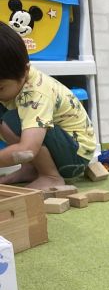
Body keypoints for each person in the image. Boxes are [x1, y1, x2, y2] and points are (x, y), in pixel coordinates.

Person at [0, 22, 96, 190]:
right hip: (60, 147)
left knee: (12, 120)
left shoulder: (36, 94)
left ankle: (50, 176)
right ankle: (31, 169)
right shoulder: (15, 83)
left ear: (25, 71)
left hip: (75, 157)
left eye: (0, 88)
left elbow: (28, 149)